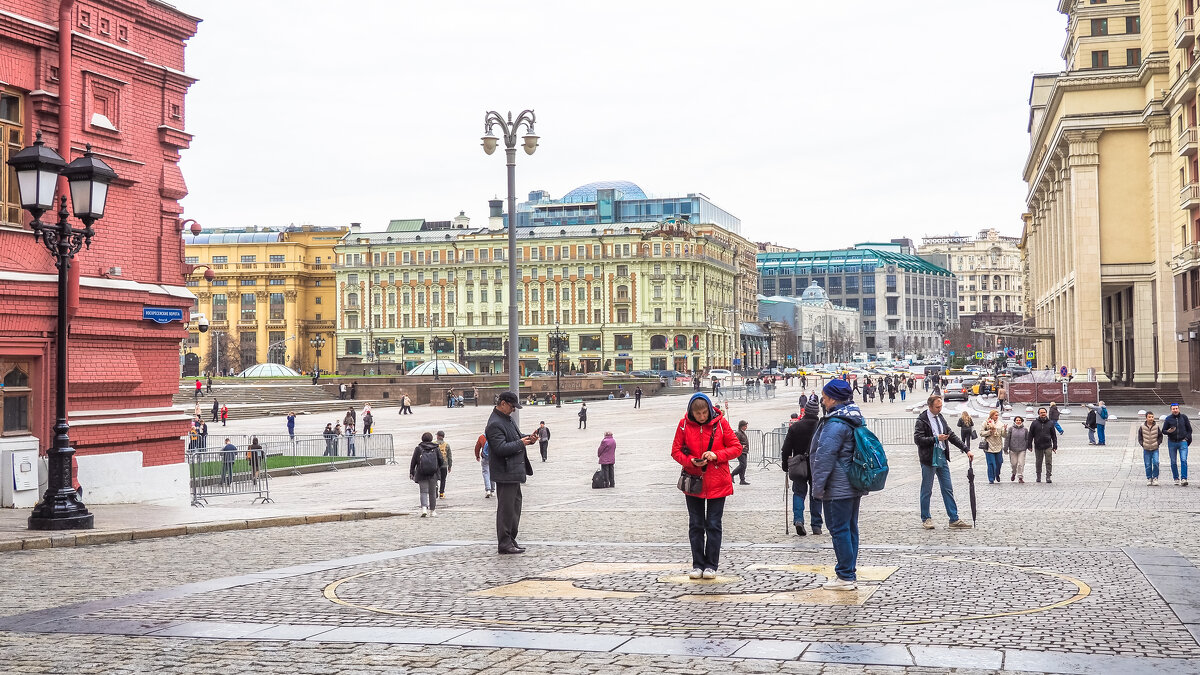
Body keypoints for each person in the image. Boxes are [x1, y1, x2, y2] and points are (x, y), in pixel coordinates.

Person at [670, 392, 741, 580]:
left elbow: (736, 447)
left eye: (704, 413)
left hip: (718, 481)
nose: (701, 417)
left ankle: (711, 565)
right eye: (697, 414)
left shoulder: (721, 424)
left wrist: (717, 455)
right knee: (695, 524)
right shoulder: (684, 425)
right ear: (691, 413)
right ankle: (697, 564)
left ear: (709, 410)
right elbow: (675, 451)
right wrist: (691, 461)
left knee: (714, 524)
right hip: (694, 482)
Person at [810, 378, 868, 589]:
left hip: (837, 486)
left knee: (839, 529)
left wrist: (817, 488)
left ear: (833, 399)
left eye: (825, 398)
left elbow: (824, 457)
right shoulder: (854, 418)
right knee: (850, 528)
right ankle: (849, 572)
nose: (823, 402)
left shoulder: (835, 423)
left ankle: (845, 576)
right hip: (852, 483)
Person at [486, 391, 536, 554]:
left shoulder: (507, 419)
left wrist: (528, 438)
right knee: (506, 510)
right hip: (505, 472)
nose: (514, 410)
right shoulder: (495, 423)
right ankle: (504, 542)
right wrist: (521, 443)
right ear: (503, 404)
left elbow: (515, 437)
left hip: (514, 472)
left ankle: (511, 539)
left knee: (515, 509)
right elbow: (500, 448)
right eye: (512, 407)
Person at [914, 394, 974, 530]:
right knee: (926, 489)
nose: (940, 409)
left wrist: (966, 449)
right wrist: (935, 439)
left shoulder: (940, 417)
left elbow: (951, 435)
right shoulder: (922, 420)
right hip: (929, 458)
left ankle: (954, 518)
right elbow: (918, 440)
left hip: (941, 455)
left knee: (947, 488)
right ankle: (926, 518)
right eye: (937, 407)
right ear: (930, 406)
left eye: (941, 406)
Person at [780, 397, 823, 536]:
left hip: (799, 465)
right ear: (817, 412)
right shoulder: (821, 427)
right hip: (816, 465)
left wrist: (785, 465)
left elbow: (786, 448)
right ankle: (816, 525)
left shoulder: (796, 427)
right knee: (816, 495)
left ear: (805, 412)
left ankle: (798, 520)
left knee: (798, 493)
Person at [410, 431, 445, 517]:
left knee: (423, 492)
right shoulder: (436, 448)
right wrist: (436, 468)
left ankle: (424, 509)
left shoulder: (418, 448)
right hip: (433, 473)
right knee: (432, 493)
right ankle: (432, 511)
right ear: (431, 439)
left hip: (421, 473)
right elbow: (441, 460)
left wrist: (412, 472)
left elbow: (413, 461)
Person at [1162, 403, 1191, 486]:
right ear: (1171, 410)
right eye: (1173, 409)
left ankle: (1184, 478)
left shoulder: (1184, 417)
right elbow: (1163, 430)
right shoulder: (1168, 419)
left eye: (1176, 408)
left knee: (1184, 460)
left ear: (1179, 409)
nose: (1175, 410)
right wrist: (1168, 431)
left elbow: (1189, 430)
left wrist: (1187, 438)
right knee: (1173, 462)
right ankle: (1176, 478)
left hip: (1183, 442)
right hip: (1172, 442)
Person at [1028, 407, 1058, 483]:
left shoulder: (1050, 423)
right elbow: (1030, 435)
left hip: (1048, 445)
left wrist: (1055, 445)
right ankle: (1038, 476)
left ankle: (1048, 476)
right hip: (1038, 446)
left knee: (1048, 461)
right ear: (1038, 414)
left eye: (1044, 412)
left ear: (1046, 413)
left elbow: (1054, 435)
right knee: (1038, 462)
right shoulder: (1034, 423)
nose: (1043, 414)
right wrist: (1029, 445)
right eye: (1041, 413)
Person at [1139, 411, 1164, 486]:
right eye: (1149, 417)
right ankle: (1149, 478)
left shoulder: (1156, 426)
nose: (1151, 418)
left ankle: (1155, 477)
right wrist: (1142, 444)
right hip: (1146, 448)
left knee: (1156, 463)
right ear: (1146, 418)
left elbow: (1160, 436)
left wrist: (1158, 443)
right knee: (1148, 464)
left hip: (1155, 448)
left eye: (1152, 417)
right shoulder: (1142, 426)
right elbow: (1140, 437)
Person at [981, 410, 1005, 484]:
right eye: (995, 415)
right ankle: (991, 479)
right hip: (989, 446)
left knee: (999, 462)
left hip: (998, 446)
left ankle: (997, 474)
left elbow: (1004, 435)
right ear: (991, 415)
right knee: (991, 463)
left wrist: (1005, 430)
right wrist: (989, 432)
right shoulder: (986, 423)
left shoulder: (1000, 423)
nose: (997, 416)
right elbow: (981, 433)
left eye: (997, 415)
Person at [1004, 416, 1029, 483]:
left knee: (1021, 463)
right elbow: (1007, 439)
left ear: (1022, 421)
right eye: (1017, 420)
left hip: (1022, 449)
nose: (1018, 421)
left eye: (1019, 420)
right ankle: (1014, 473)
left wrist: (1027, 446)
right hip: (1013, 449)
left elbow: (1027, 439)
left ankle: (1020, 477)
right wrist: (1005, 448)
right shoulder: (1011, 429)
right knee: (1014, 464)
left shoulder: (1025, 430)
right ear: (1015, 421)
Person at [474, 433, 494, 498]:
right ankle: (492, 490)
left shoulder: (481, 437)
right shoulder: (495, 435)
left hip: (485, 458)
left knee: (486, 473)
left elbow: (477, 447)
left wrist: (477, 456)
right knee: (492, 473)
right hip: (493, 458)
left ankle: (488, 489)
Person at [731, 420, 751, 486]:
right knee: (743, 465)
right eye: (745, 426)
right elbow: (735, 442)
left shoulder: (742, 433)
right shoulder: (738, 433)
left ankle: (742, 480)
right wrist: (741, 446)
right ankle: (732, 474)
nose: (746, 427)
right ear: (741, 426)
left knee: (744, 466)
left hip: (744, 451)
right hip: (740, 451)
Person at [435, 430, 452, 498]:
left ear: (438, 436)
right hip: (444, 464)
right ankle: (441, 493)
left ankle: (435, 489)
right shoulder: (447, 445)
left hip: (436, 464)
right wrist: (450, 466)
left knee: (435, 478)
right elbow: (449, 456)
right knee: (443, 479)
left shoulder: (433, 444)